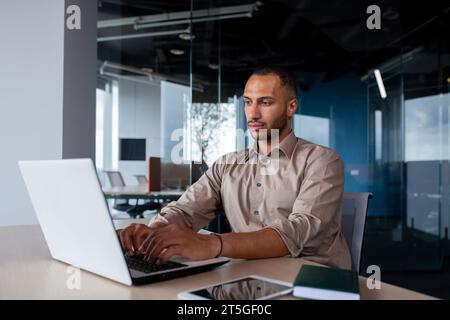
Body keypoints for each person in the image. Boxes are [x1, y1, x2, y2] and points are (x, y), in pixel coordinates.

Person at [117, 66, 351, 270]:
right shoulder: (227, 165)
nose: (253, 113)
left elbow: (296, 233)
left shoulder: (322, 161)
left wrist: (212, 244)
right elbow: (186, 211)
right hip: (247, 275)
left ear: (291, 107)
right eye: (248, 102)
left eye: (265, 102)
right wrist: (154, 233)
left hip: (310, 278)